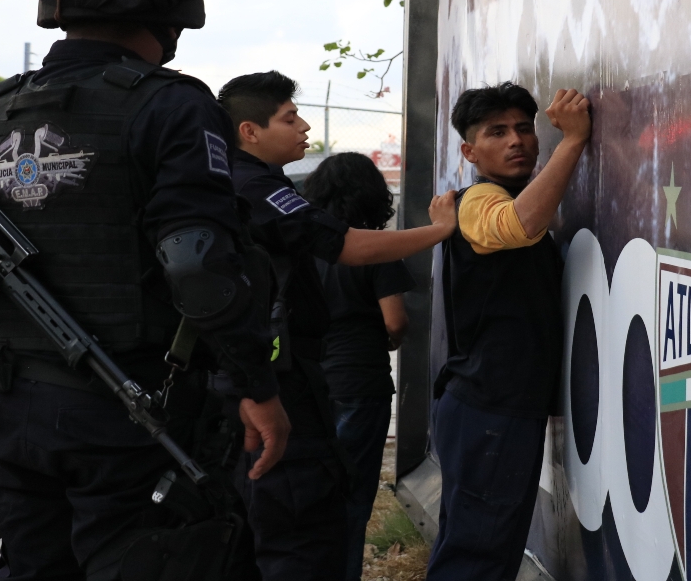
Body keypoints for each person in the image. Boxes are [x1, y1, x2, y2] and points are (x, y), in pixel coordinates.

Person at [0, 0, 290, 579]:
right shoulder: (172, 107)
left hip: (11, 404)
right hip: (127, 411)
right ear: (167, 11)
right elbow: (196, 264)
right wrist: (257, 386)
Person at [218, 71, 457, 579]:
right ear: (249, 131)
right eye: (289, 117)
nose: (304, 126)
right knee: (301, 518)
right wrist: (438, 231)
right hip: (285, 379)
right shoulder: (250, 187)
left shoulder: (252, 183)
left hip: (301, 375)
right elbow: (349, 247)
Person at [426, 83, 591, 581]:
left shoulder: (502, 195)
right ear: (470, 152)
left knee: (474, 548)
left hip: (489, 407)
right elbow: (518, 225)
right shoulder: (479, 199)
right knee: (478, 557)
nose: (516, 140)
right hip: (488, 409)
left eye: (523, 128)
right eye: (497, 132)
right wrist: (574, 141)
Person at [304, 152, 414, 581]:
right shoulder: (376, 248)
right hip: (359, 380)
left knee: (310, 495)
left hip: (307, 380)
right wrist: (390, 340)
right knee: (350, 501)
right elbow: (395, 321)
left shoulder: (302, 245)